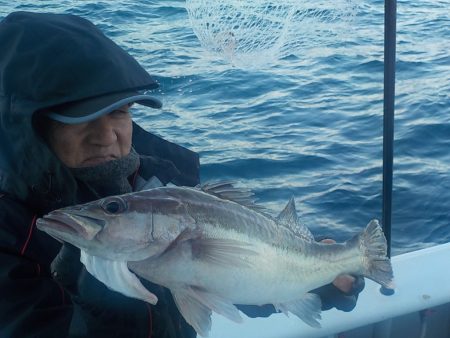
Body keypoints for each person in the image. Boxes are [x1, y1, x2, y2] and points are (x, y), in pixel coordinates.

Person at [0, 11, 363, 338]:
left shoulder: (163, 187)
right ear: (29, 128)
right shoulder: (9, 231)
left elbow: (226, 278)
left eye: (120, 112)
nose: (107, 136)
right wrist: (109, 311)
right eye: (80, 118)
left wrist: (302, 281)